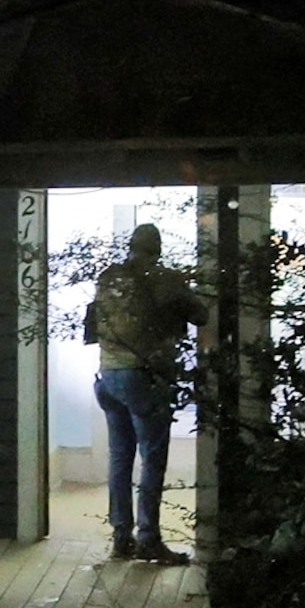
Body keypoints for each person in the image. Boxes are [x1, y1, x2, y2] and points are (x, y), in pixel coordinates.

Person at [89, 221, 207, 565]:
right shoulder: (166, 278)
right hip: (143, 377)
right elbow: (201, 315)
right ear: (158, 248)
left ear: (130, 246)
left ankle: (121, 537)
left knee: (120, 458)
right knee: (152, 458)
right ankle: (149, 539)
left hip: (107, 376)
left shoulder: (110, 277)